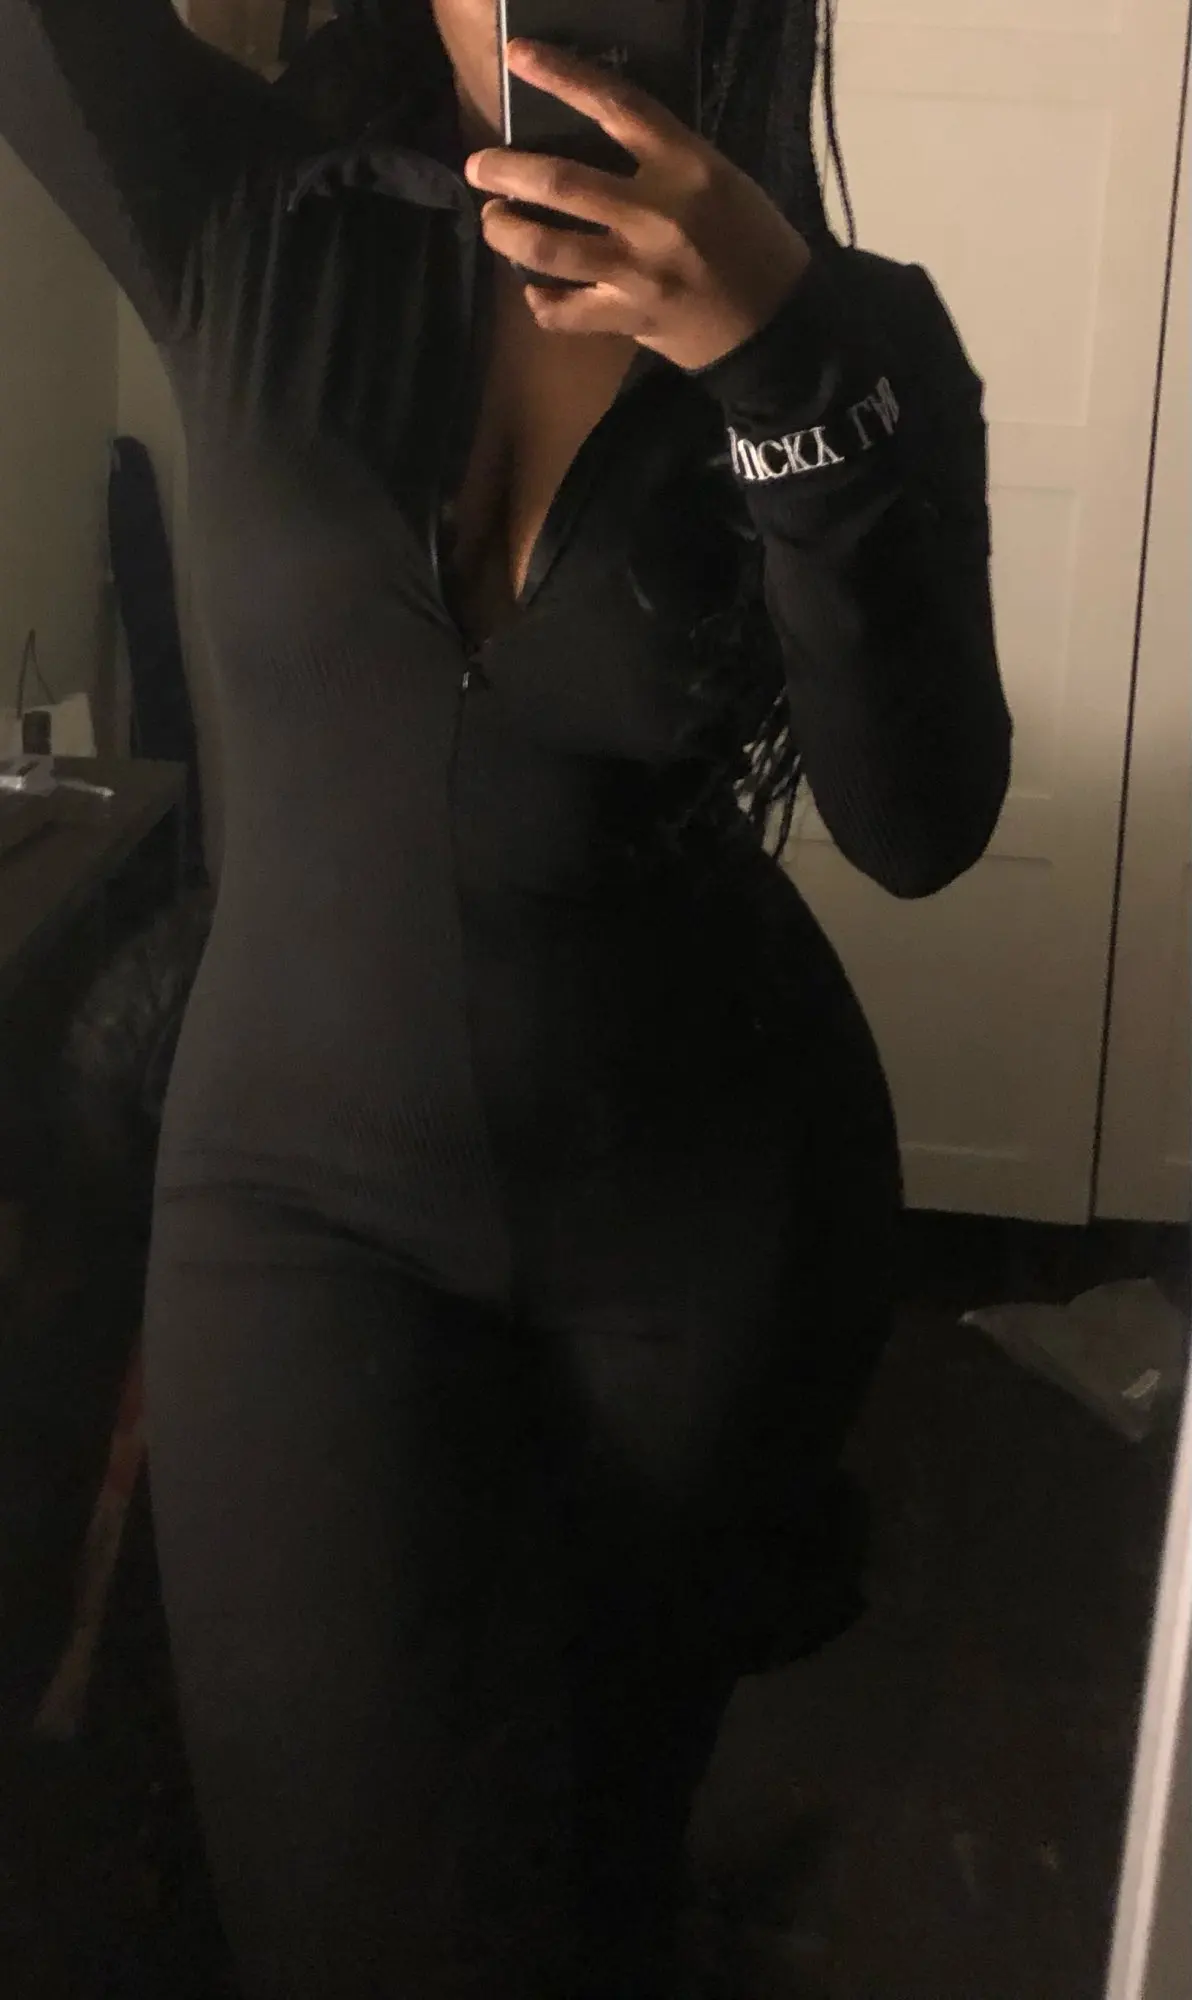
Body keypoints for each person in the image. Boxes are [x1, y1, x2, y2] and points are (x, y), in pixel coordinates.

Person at [1, 1, 1013, 1993]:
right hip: (295, 1212)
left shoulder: (852, 335)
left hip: (698, 1232)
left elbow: (917, 819)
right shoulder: (245, 207)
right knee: (338, 1902)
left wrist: (775, 362)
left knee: (595, 1856)